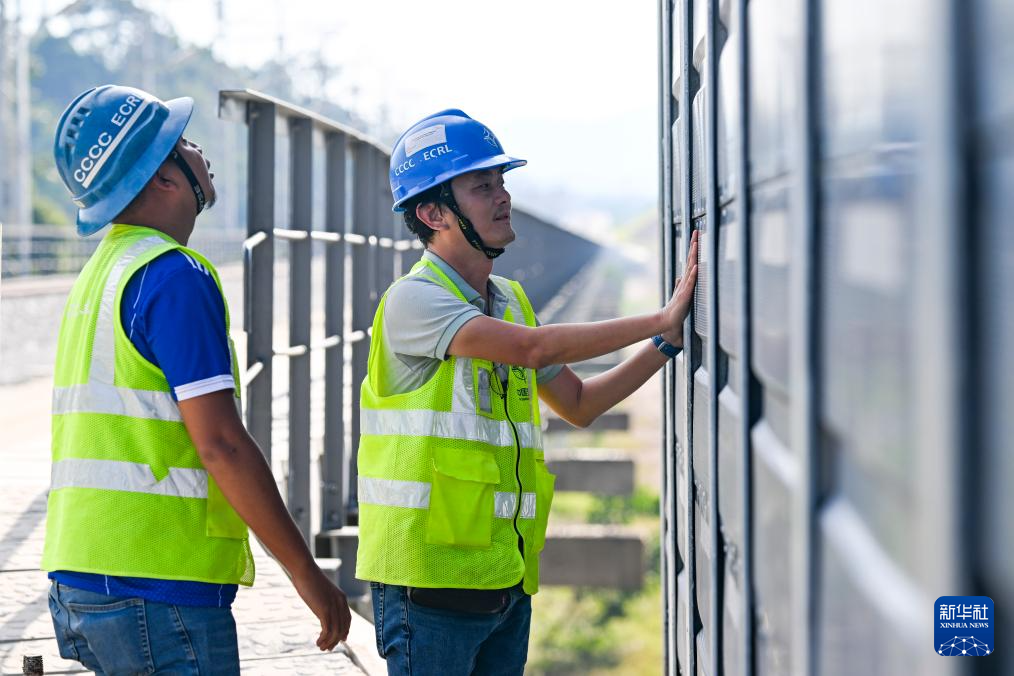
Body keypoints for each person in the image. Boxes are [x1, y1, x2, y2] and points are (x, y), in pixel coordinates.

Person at [357, 109, 699, 675]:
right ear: (433, 214)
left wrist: (664, 343)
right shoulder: (414, 301)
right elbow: (535, 350)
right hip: (429, 592)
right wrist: (658, 315)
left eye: (502, 181)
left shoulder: (510, 301)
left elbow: (580, 405)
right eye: (482, 186)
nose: (503, 197)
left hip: (505, 584)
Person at [41, 84, 351, 674]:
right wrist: (305, 573)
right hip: (156, 591)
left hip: (80, 576)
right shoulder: (173, 276)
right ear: (164, 176)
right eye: (183, 142)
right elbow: (221, 444)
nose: (199, 151)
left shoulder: (101, 273)